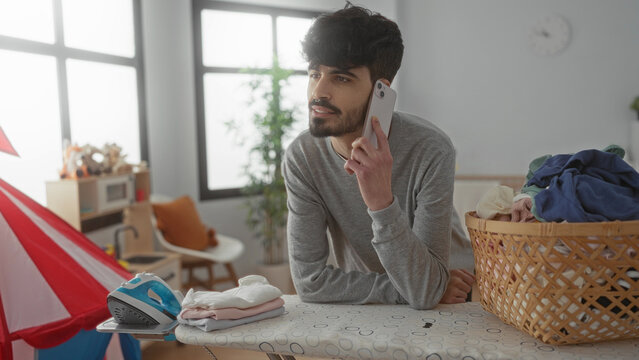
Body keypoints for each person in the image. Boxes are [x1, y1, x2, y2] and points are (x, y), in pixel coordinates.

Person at [282, 4, 474, 309]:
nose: (319, 92)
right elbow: (310, 282)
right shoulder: (302, 157)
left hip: (459, 296)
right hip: (397, 298)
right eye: (314, 73)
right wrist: (411, 290)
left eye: (341, 78)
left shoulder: (430, 149)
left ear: (380, 90)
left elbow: (427, 292)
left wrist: (381, 202)